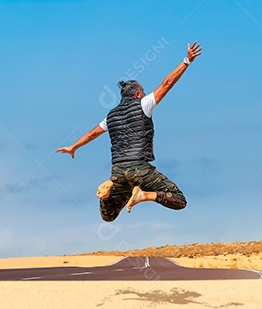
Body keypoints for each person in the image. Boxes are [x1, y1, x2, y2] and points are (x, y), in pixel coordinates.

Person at [57, 42, 202, 221]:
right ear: (137, 95)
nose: (145, 93)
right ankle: (143, 195)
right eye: (143, 91)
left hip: (118, 172)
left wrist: (73, 147)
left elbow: (91, 134)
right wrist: (187, 60)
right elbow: (166, 83)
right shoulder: (143, 104)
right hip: (139, 169)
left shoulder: (110, 116)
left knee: (108, 216)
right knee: (178, 200)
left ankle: (107, 193)